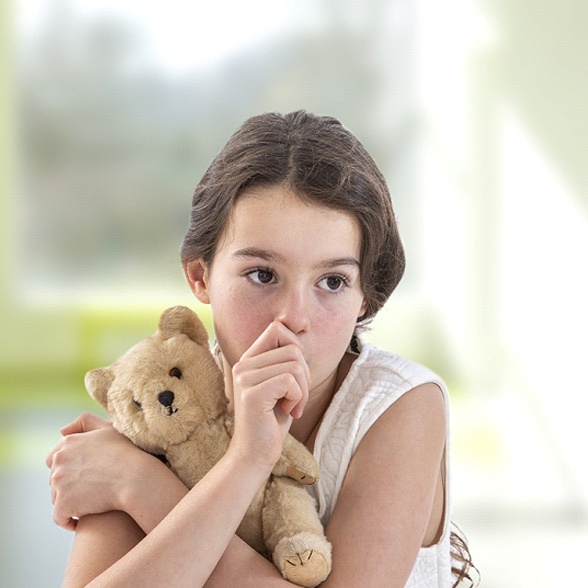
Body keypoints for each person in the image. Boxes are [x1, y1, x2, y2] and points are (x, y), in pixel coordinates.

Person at [46, 110, 475, 587]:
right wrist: (240, 460)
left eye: (332, 281)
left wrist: (140, 485)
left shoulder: (400, 405)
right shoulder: (162, 405)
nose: (294, 316)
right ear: (200, 276)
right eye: (262, 275)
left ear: (364, 297)